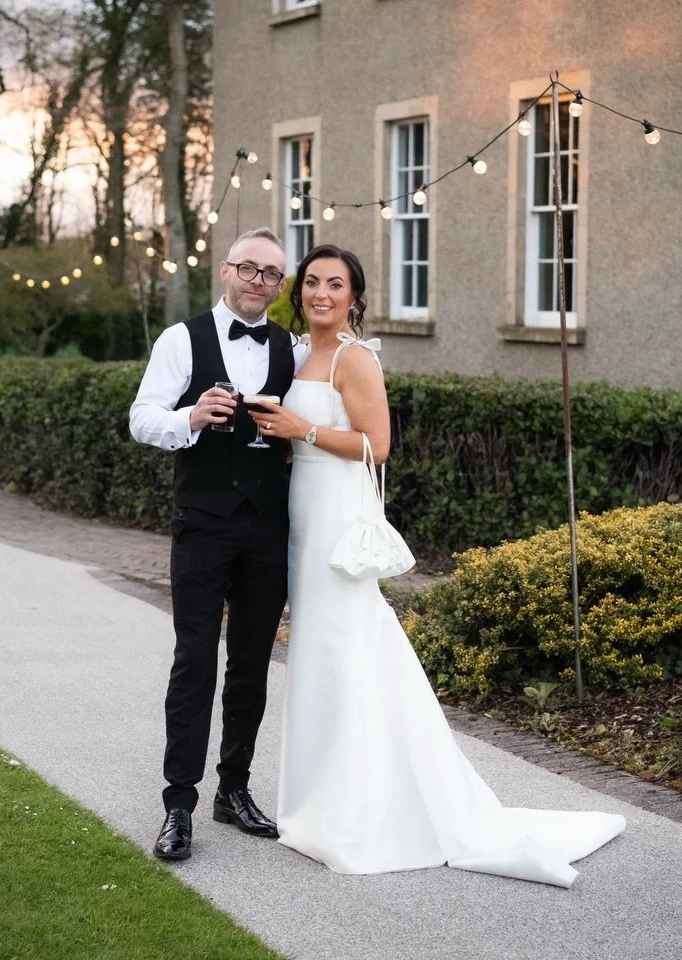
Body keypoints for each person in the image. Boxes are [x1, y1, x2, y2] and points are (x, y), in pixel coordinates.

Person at [247, 245, 626, 887]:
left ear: (353, 296)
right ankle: (317, 803)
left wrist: (300, 430)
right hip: (302, 514)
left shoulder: (354, 357)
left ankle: (365, 813)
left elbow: (378, 446)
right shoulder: (297, 350)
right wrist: (278, 438)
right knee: (316, 650)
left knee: (347, 644)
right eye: (311, 282)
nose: (320, 294)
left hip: (338, 514)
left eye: (334, 284)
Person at [129, 227, 306, 862]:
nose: (259, 281)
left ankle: (234, 790)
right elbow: (141, 417)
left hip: (268, 526)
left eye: (272, 273)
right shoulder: (181, 340)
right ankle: (179, 804)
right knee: (195, 660)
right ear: (227, 270)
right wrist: (190, 418)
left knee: (252, 663)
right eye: (249, 268)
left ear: (280, 285)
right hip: (203, 521)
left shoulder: (292, 348)